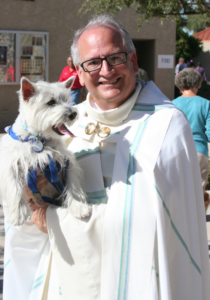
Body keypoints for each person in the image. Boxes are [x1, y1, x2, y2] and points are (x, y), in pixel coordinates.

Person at [4, 14, 210, 300]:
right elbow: (27, 210)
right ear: (79, 71)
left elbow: (160, 221)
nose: (105, 71)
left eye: (116, 58)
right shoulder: (65, 123)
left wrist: (50, 219)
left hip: (137, 280)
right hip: (66, 276)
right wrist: (31, 202)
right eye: (92, 63)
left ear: (134, 61)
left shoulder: (167, 125)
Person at [173, 68, 210, 203]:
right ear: (197, 84)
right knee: (198, 193)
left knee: (180, 190)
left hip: (178, 151)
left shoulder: (172, 105)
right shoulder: (206, 104)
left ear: (179, 85)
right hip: (200, 150)